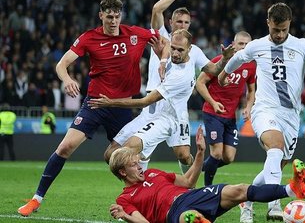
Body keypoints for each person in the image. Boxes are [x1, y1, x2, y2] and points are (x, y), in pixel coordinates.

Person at [18, 0, 166, 217]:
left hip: (123, 107)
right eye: (109, 17)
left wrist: (162, 60)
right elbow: (61, 64)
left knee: (133, 158)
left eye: (117, 16)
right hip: (96, 103)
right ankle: (36, 199)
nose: (113, 21)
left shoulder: (135, 33)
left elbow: (164, 42)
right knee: (65, 147)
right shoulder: (89, 38)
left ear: (121, 15)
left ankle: (143, 205)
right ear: (101, 16)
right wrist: (67, 79)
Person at [218, 3, 305, 222]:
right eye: (275, 29)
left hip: (291, 115)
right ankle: (273, 205)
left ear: (290, 24)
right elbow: (238, 58)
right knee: (275, 146)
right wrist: (223, 74)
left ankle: (246, 199)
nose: (280, 34)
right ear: (268, 23)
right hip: (265, 109)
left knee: (279, 161)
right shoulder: (258, 45)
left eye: (284, 30)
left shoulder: (301, 45)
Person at [96, 0, 220, 174]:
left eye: (186, 22)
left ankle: (187, 171)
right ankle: (140, 185)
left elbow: (212, 70)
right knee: (125, 151)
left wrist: (230, 59)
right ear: (170, 22)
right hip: (153, 103)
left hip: (176, 110)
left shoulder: (194, 50)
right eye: (178, 21)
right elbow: (156, 9)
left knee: (183, 155)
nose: (182, 25)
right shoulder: (160, 37)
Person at [88, 29, 234, 170]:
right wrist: (160, 56)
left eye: (180, 50)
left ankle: (190, 173)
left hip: (170, 117)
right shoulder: (170, 53)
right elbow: (214, 69)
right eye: (174, 48)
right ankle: (142, 174)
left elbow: (144, 101)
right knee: (110, 155)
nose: (175, 53)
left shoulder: (181, 76)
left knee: (182, 156)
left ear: (190, 49)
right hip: (152, 111)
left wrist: (110, 102)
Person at [108, 126, 305, 223]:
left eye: (138, 162)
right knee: (191, 218)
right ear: (123, 172)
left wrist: (201, 153)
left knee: (239, 189)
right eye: (135, 165)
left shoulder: (152, 172)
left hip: (192, 195)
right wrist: (125, 216)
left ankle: (291, 189)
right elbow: (143, 222)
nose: (141, 167)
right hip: (172, 214)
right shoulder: (124, 198)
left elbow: (187, 181)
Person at [196, 31, 256, 186]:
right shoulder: (220, 62)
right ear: (234, 45)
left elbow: (251, 91)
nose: (244, 47)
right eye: (241, 44)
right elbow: (200, 83)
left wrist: (248, 107)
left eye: (247, 45)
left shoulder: (250, 66)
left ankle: (198, 168)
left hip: (230, 117)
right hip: (212, 112)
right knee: (216, 153)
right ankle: (207, 190)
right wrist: (213, 102)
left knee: (228, 157)